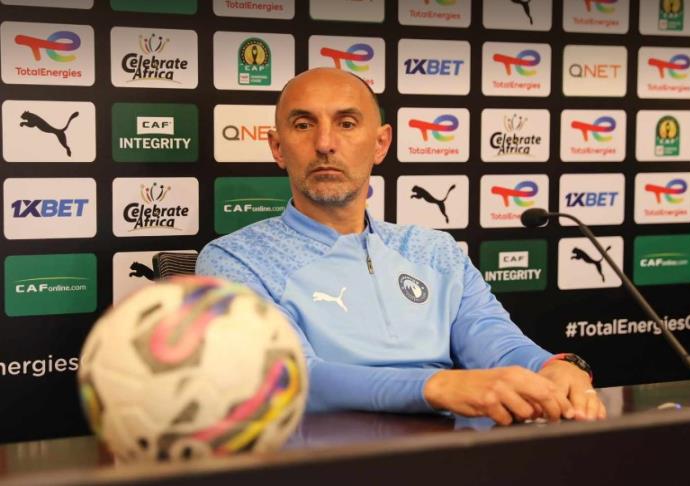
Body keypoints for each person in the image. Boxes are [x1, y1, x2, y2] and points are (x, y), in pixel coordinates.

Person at [196, 68, 606, 425]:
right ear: (277, 147)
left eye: (346, 123)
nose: (325, 143)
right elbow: (294, 378)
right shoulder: (235, 260)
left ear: (380, 143)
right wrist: (437, 387)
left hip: (455, 455)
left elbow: (494, 341)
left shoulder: (434, 250)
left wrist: (555, 367)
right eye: (303, 125)